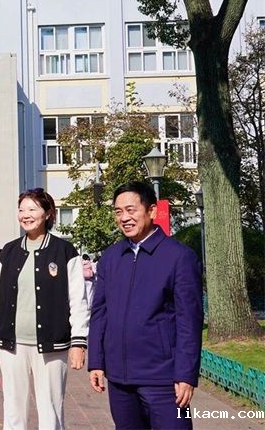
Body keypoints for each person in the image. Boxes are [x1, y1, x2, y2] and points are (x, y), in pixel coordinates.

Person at [89, 181, 203, 429]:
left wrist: (186, 374)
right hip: (119, 380)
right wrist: (96, 361)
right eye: (118, 212)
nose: (124, 218)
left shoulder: (179, 257)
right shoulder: (110, 258)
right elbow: (99, 312)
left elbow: (189, 322)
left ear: (151, 211)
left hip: (164, 380)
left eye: (131, 210)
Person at [0, 188, 89, 430]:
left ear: (48, 213)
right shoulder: (7, 252)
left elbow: (78, 300)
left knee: (51, 410)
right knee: (13, 410)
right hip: (11, 344)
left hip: (52, 344)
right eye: (22, 210)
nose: (26, 215)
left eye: (32, 209)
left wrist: (78, 342)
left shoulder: (64, 252)